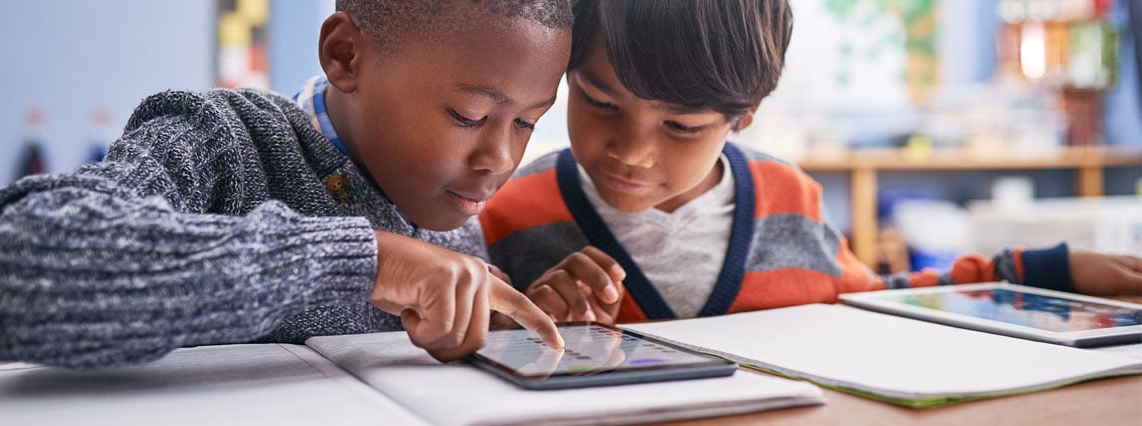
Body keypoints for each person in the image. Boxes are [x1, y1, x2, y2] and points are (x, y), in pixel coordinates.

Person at [0, 0, 573, 368]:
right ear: (346, 55)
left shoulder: (453, 212)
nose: (500, 157)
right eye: (468, 116)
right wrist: (363, 262)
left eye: (527, 122)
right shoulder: (219, 140)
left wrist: (512, 327)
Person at [480, 0, 1142, 324]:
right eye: (599, 102)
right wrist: (525, 323)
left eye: (682, 126)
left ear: (746, 114)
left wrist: (1031, 272)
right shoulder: (508, 213)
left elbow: (878, 304)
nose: (631, 150)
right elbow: (466, 343)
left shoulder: (787, 199)